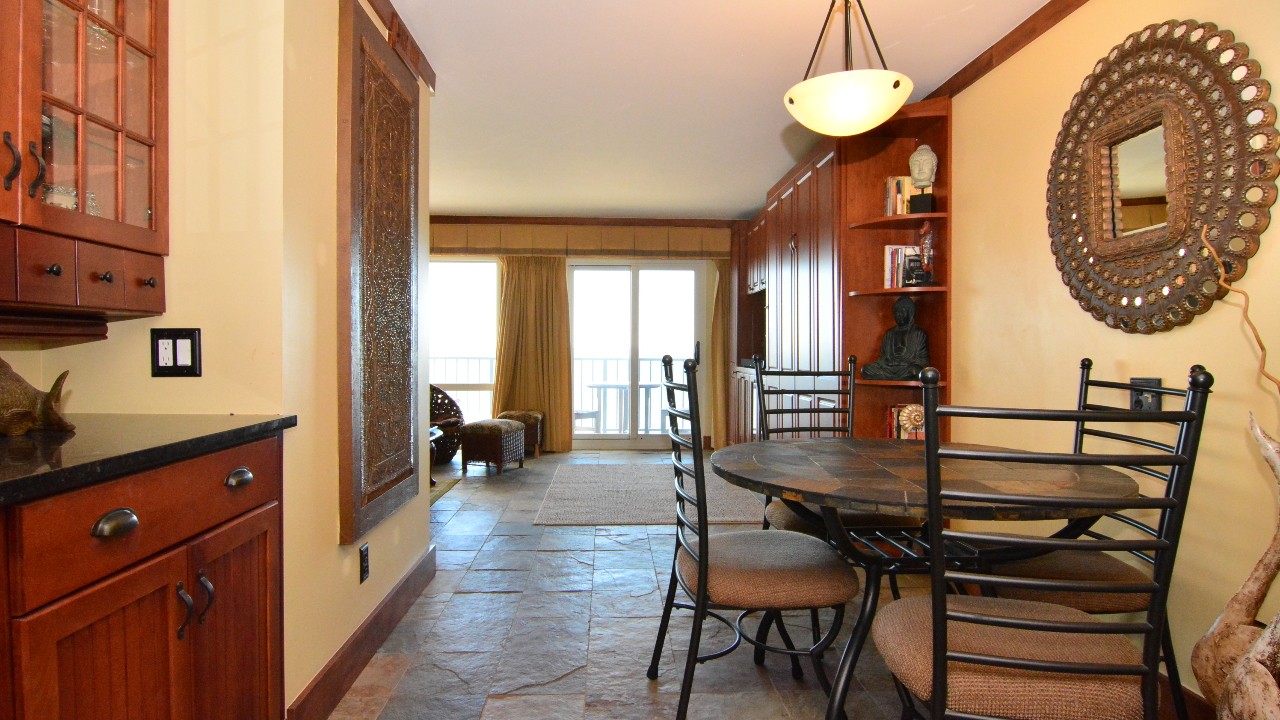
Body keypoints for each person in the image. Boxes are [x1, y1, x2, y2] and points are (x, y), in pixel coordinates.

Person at [861, 296, 930, 381]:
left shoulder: (918, 333)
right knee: (866, 369)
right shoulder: (889, 334)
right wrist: (887, 364)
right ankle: (896, 377)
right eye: (896, 313)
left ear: (910, 313)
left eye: (902, 312)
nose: (899, 315)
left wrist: (906, 364)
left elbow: (922, 361)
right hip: (889, 368)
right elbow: (882, 358)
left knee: (916, 372)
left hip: (907, 369)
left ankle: (899, 376)